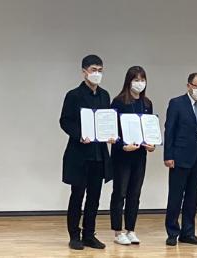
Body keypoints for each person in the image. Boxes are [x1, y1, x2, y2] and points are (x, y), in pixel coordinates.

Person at [60, 55, 115, 251]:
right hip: (80, 154)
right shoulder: (73, 95)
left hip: (99, 154)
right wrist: (80, 135)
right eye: (93, 70)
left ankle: (89, 235)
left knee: (94, 197)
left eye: (100, 70)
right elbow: (65, 121)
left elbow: (107, 119)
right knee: (77, 195)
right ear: (84, 71)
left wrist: (110, 134)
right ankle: (74, 235)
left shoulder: (104, 95)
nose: (97, 73)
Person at [164, 72, 197, 246]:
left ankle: (188, 232)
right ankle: (172, 232)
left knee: (193, 197)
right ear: (189, 86)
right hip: (180, 157)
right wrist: (168, 155)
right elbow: (169, 130)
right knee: (176, 196)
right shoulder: (177, 103)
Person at [109, 66, 156, 246]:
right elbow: (112, 130)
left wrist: (152, 144)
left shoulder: (147, 104)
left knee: (135, 193)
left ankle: (131, 229)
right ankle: (117, 231)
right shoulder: (119, 102)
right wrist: (122, 145)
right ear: (129, 81)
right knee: (120, 192)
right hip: (122, 155)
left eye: (142, 80)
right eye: (136, 80)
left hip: (139, 155)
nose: (140, 83)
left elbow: (150, 128)